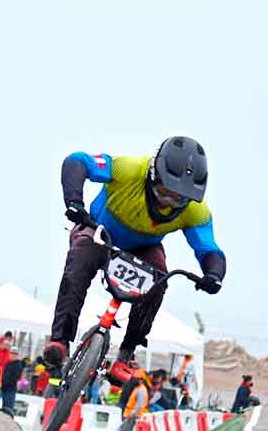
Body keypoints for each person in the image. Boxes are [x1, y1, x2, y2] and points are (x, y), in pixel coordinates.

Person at [48, 137, 226, 370]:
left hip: (144, 246)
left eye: (180, 198)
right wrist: (74, 202)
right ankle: (59, 341)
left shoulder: (197, 212)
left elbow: (209, 249)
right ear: (153, 174)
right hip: (100, 230)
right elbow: (77, 161)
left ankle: (126, 354)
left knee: (159, 281)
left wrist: (213, 275)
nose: (169, 203)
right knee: (79, 261)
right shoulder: (129, 169)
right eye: (166, 191)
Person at [105, 361, 152, 431]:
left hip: (132, 415)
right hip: (130, 414)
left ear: (141, 380)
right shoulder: (138, 388)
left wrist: (133, 414)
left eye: (136, 378)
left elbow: (139, 405)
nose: (133, 380)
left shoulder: (141, 390)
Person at [0, 347, 25, 415]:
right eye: (12, 353)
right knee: (4, 406)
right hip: (4, 388)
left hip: (11, 389)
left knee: (9, 407)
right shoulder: (8, 363)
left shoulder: (18, 365)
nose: (13, 355)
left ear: (17, 355)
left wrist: (6, 383)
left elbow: (15, 377)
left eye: (15, 354)